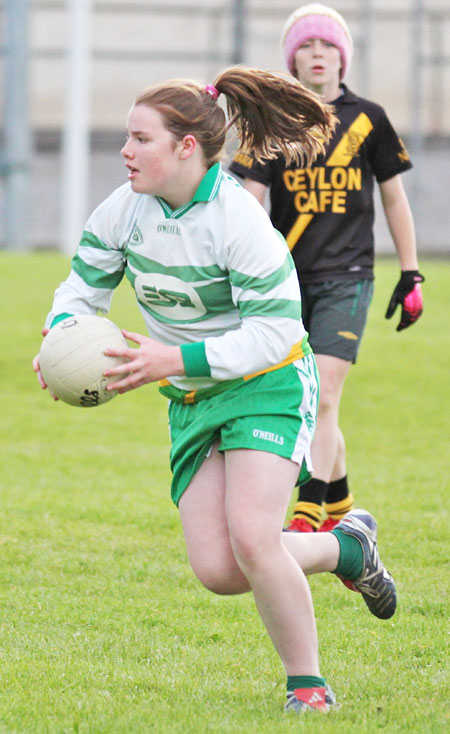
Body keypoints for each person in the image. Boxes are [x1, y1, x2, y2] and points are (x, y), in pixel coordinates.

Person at [33, 66, 397, 715]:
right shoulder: (123, 210)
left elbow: (275, 333)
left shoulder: (240, 222)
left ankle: (307, 688)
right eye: (127, 136)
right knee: (219, 569)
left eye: (141, 138)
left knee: (254, 538)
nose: (125, 150)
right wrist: (59, 337)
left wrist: (170, 356)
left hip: (269, 382)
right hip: (193, 394)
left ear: (186, 148)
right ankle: (347, 546)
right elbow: (81, 289)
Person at [229, 3, 424, 534]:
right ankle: (341, 503)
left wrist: (411, 273)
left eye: (327, 45)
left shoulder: (370, 120)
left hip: (349, 276)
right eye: (306, 47)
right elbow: (248, 198)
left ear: (344, 56)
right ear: (292, 61)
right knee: (308, 391)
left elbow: (395, 200)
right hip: (285, 279)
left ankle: (311, 504)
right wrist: (231, 264)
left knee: (324, 388)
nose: (318, 54)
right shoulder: (275, 120)